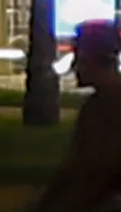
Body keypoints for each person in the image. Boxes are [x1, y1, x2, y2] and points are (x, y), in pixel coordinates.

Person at [33, 20, 121, 212]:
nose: (74, 67)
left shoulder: (107, 108)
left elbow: (94, 176)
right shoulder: (99, 105)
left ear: (92, 59)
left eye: (78, 57)